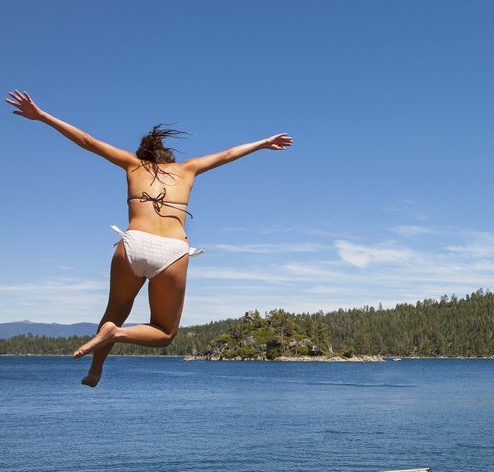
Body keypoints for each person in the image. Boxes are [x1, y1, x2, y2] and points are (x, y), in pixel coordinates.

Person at [4, 89, 293, 386]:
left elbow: (88, 141)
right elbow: (229, 154)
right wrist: (263, 143)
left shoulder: (132, 165)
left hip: (134, 243)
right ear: (169, 158)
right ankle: (118, 333)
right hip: (172, 251)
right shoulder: (187, 169)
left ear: (144, 156)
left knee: (113, 311)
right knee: (165, 333)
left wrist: (42, 117)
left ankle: (95, 370)